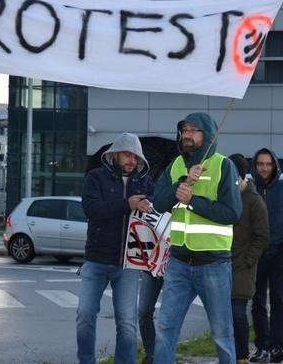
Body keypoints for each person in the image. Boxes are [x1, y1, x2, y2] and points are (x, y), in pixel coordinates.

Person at [152, 112, 243, 364]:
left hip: (213, 264)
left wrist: (192, 201)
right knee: (166, 331)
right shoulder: (176, 166)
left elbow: (232, 213)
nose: (187, 135)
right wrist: (181, 183)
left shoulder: (224, 165)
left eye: (194, 130)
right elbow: (158, 203)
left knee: (222, 334)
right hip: (179, 263)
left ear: (209, 135)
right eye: (184, 130)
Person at [77, 132, 154, 364]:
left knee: (127, 324)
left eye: (136, 157)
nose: (132, 161)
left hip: (129, 263)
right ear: (115, 155)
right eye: (128, 155)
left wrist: (149, 208)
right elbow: (91, 210)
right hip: (96, 259)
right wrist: (126, 204)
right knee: (85, 316)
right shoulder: (96, 177)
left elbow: (156, 215)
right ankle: (86, 361)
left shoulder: (146, 183)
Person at [248, 148, 283, 363]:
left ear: (274, 165)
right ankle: (262, 347)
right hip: (256, 254)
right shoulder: (248, 189)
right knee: (257, 302)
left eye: (268, 164)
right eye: (260, 164)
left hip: (280, 253)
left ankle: (276, 347)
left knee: (278, 301)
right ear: (254, 166)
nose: (264, 168)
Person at [228, 153, 270, 364]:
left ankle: (242, 356)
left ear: (242, 176)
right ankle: (228, 355)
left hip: (242, 266)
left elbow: (262, 236)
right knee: (223, 317)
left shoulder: (254, 201)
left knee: (237, 313)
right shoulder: (224, 195)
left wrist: (248, 260)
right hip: (221, 263)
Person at [138, 271, 163, 364]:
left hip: (173, 267)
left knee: (169, 320)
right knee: (144, 312)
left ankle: (162, 357)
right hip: (151, 267)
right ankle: (151, 355)